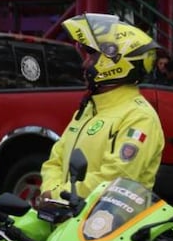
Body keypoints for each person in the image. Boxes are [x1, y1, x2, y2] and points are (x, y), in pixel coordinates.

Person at [39, 12, 165, 201]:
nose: (85, 63)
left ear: (116, 63)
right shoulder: (89, 108)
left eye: (93, 57)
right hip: (67, 212)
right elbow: (55, 160)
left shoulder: (139, 117)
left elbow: (116, 179)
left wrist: (56, 194)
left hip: (109, 217)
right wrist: (50, 191)